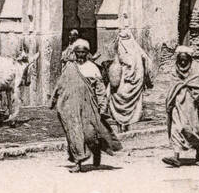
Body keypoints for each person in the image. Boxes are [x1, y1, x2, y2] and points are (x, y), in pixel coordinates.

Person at [51, 40, 122, 172]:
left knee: (90, 134)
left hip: (89, 106)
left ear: (87, 53)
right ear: (75, 53)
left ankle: (96, 151)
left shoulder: (92, 68)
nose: (81, 55)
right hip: (71, 107)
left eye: (83, 52)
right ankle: (78, 162)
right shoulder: (69, 67)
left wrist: (102, 106)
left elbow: (100, 89)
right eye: (78, 52)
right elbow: (61, 84)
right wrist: (54, 100)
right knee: (74, 133)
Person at [164, 45, 199, 167]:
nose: (182, 62)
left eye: (184, 59)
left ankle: (198, 155)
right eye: (180, 59)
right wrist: (171, 101)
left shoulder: (198, 70)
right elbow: (173, 87)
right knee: (177, 128)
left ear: (189, 59)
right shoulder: (174, 70)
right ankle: (176, 157)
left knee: (195, 129)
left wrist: (198, 94)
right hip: (178, 103)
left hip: (193, 104)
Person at [107, 28, 154, 132]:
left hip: (125, 81)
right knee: (123, 99)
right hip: (130, 82)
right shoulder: (137, 50)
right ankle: (124, 126)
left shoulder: (123, 48)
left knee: (116, 97)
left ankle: (123, 126)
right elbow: (147, 62)